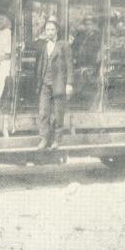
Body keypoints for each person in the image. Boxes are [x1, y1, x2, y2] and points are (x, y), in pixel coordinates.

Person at [35, 16, 74, 150]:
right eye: (47, 29)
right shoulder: (43, 45)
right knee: (43, 112)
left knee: (58, 113)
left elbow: (69, 65)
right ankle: (44, 139)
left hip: (59, 84)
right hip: (45, 84)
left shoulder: (64, 45)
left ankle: (57, 140)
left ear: (57, 30)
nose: (50, 32)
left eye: (52, 29)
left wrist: (69, 84)